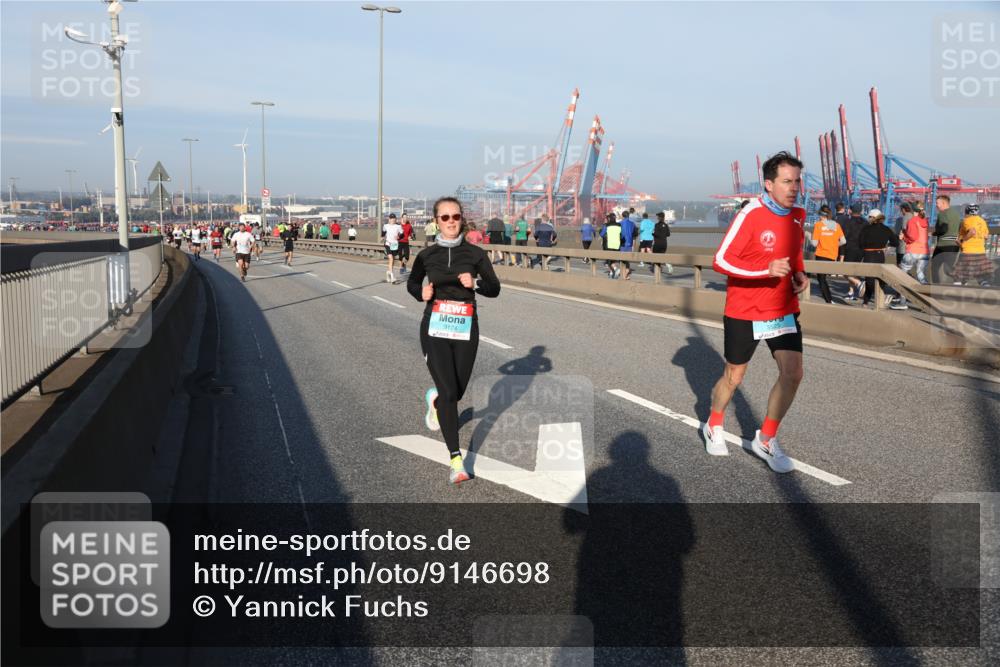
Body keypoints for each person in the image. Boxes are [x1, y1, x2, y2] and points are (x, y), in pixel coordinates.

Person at [704, 151, 809, 473]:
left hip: (782, 310)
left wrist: (799, 275)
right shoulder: (750, 213)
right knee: (734, 377)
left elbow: (793, 253)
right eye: (787, 181)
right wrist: (765, 270)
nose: (794, 188)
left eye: (797, 181)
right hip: (745, 310)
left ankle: (766, 438)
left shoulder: (798, 216)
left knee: (793, 374)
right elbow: (721, 260)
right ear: (769, 183)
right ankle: (714, 424)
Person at [406, 196, 501, 485]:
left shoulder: (475, 254)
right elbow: (412, 281)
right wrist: (418, 293)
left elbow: (495, 288)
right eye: (444, 217)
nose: (450, 222)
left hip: (465, 326)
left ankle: (435, 401)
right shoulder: (427, 255)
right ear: (436, 221)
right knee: (449, 393)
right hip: (434, 326)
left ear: (462, 219)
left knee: (456, 393)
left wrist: (476, 284)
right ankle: (455, 459)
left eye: (455, 217)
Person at [892, 203, 931, 310]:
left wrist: (903, 237)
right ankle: (928, 301)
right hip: (925, 251)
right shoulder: (925, 221)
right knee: (921, 275)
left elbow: (912, 237)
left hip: (912, 251)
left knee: (902, 276)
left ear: (913, 210)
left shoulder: (913, 221)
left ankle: (902, 302)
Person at [858, 209, 895, 307]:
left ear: (873, 218)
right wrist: (886, 245)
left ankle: (866, 301)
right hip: (880, 254)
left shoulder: (866, 229)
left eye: (869, 217)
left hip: (869, 255)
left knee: (869, 279)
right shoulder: (886, 229)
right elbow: (895, 242)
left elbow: (860, 243)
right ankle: (878, 300)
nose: (868, 219)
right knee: (879, 277)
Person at [809, 205, 845, 304]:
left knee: (821, 280)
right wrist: (834, 245)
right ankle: (829, 300)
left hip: (821, 254)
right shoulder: (836, 225)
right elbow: (843, 241)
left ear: (821, 215)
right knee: (824, 279)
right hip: (832, 255)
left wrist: (808, 236)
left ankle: (829, 300)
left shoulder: (818, 225)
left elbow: (814, 243)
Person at [953, 203, 993, 286]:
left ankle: (955, 295)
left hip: (968, 252)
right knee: (981, 277)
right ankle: (988, 293)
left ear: (967, 211)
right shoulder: (982, 221)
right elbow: (985, 236)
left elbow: (972, 231)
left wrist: (962, 239)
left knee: (958, 276)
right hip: (981, 252)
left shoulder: (967, 220)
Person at [931, 194, 961, 283]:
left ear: (944, 203)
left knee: (935, 267)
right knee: (949, 267)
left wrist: (934, 233)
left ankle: (936, 287)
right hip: (954, 245)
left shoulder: (942, 214)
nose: (936, 205)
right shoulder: (956, 214)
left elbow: (944, 228)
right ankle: (959, 281)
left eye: (937, 203)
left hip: (943, 245)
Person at [842, 203, 866, 300]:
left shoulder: (847, 222)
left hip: (850, 249)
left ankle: (859, 283)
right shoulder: (865, 222)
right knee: (854, 271)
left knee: (845, 271)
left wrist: (841, 253)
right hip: (861, 250)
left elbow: (844, 238)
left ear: (851, 211)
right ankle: (851, 292)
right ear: (861, 211)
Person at [600, 212, 622, 278]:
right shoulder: (619, 225)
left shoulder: (607, 225)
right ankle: (612, 273)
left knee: (609, 260)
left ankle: (615, 269)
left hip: (609, 245)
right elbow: (622, 235)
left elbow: (601, 234)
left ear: (609, 218)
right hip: (617, 245)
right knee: (612, 260)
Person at [383, 213, 403, 283]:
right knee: (391, 258)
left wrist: (399, 237)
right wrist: (383, 236)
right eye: (391, 218)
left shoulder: (398, 226)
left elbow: (402, 234)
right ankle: (392, 276)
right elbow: (383, 233)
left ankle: (388, 272)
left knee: (392, 260)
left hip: (395, 245)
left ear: (395, 219)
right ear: (389, 219)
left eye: (393, 218)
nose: (392, 220)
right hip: (388, 244)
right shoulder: (385, 226)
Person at [619, 211, 637, 279]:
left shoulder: (620, 223)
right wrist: (633, 245)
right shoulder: (633, 224)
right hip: (630, 243)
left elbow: (619, 234)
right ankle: (626, 273)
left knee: (622, 260)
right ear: (628, 216)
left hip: (622, 243)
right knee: (627, 260)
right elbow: (635, 235)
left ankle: (624, 274)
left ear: (622, 216)